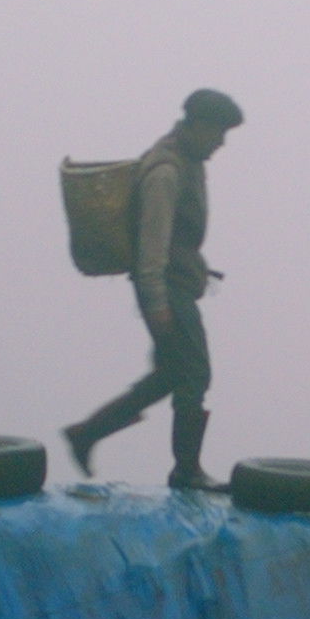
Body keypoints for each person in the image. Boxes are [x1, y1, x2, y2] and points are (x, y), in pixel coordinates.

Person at [64, 88, 244, 490]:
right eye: (217, 132)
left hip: (174, 284)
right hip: (166, 290)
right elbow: (153, 243)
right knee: (195, 374)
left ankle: (87, 433)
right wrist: (156, 302)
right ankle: (186, 471)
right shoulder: (166, 171)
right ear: (197, 125)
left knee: (169, 375)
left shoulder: (189, 162)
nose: (221, 142)